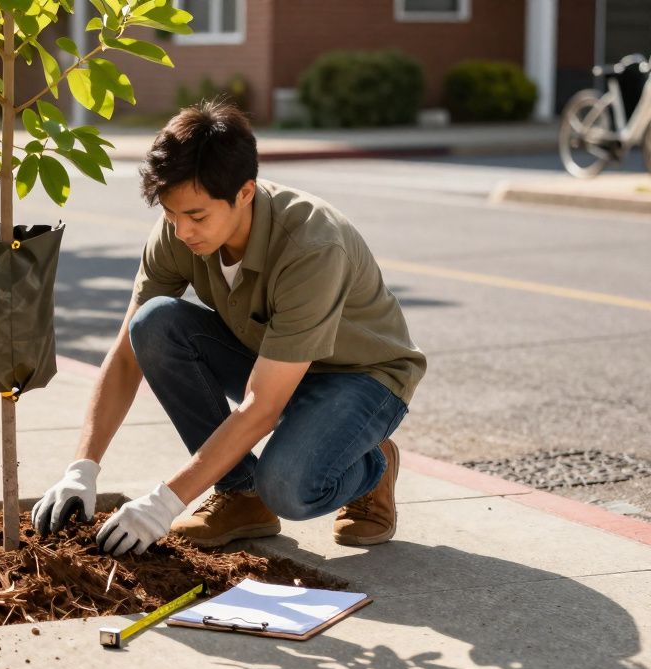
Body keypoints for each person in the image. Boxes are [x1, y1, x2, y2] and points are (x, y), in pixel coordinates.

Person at [31, 101, 427, 558]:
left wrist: (165, 502)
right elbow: (125, 356)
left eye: (197, 217)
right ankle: (242, 498)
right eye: (170, 214)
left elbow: (261, 406)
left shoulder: (312, 247)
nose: (182, 231)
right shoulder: (178, 229)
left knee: (288, 487)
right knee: (154, 324)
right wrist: (82, 468)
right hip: (272, 362)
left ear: (245, 193)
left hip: (361, 378)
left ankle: (371, 463)